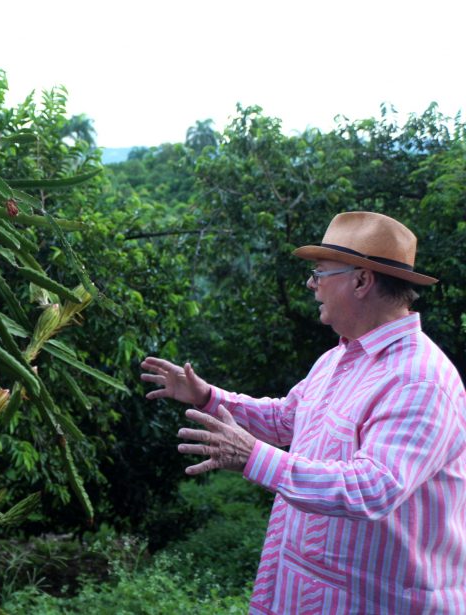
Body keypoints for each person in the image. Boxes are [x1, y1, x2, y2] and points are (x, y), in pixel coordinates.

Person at [140, 211, 466, 614]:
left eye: (320, 272)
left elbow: (372, 487)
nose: (312, 285)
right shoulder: (339, 357)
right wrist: (207, 396)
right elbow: (287, 420)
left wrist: (252, 457)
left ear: (362, 280)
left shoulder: (419, 380)